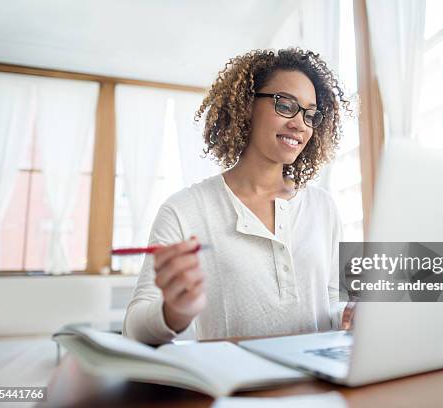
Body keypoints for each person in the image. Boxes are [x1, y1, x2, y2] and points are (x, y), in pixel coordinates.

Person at [123, 48, 353, 345]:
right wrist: (173, 312)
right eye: (285, 105)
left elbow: (333, 300)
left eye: (310, 115)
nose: (300, 124)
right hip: (233, 388)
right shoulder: (184, 210)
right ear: (246, 105)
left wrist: (347, 315)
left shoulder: (324, 207)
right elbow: (133, 329)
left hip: (317, 383)